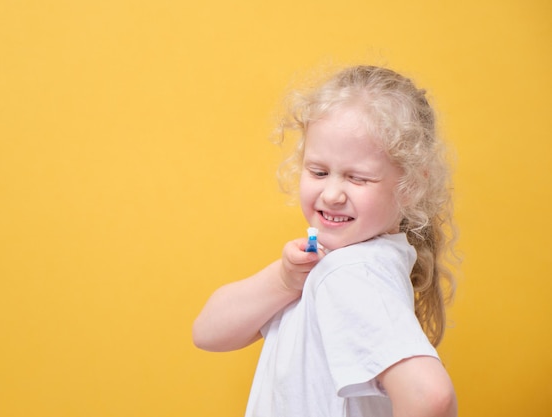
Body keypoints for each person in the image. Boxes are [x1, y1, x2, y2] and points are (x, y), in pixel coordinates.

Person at [192, 65, 458, 417]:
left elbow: (429, 397)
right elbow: (208, 332)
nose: (332, 194)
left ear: (410, 187)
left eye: (357, 178)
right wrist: (284, 280)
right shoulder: (335, 265)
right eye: (318, 172)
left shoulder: (350, 272)